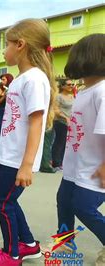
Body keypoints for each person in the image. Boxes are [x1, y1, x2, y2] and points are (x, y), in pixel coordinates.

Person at [0, 18, 56, 265]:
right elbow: (13, 123)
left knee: (1, 201)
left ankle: (11, 254)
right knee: (8, 200)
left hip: (20, 159)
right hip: (11, 157)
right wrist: (0, 156)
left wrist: (26, 164)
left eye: (7, 45)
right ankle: (29, 244)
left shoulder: (34, 79)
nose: (4, 51)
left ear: (20, 45)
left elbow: (35, 124)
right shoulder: (22, 79)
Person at [55, 33, 105, 265]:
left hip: (96, 167)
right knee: (64, 201)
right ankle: (65, 242)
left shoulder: (102, 91)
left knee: (83, 207)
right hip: (76, 164)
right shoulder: (85, 91)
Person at [51, 79, 74, 171]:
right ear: (63, 86)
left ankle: (63, 162)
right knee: (59, 142)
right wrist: (66, 118)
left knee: (66, 143)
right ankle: (56, 163)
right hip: (60, 122)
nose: (71, 86)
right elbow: (55, 110)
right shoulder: (58, 97)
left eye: (72, 84)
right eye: (69, 84)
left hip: (70, 123)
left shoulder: (72, 96)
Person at [0, 73, 14, 163]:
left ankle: (5, 158)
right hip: (0, 112)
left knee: (8, 135)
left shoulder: (13, 88)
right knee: (0, 134)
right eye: (1, 79)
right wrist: (4, 96)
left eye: (4, 79)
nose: (2, 81)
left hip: (10, 112)